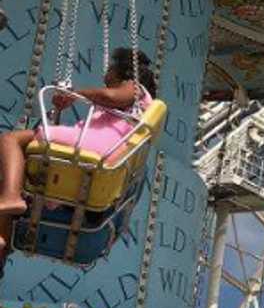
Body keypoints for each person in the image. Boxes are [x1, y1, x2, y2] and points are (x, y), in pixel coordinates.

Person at [0, 47, 158, 254]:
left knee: (11, 139)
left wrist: (74, 93)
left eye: (111, 67)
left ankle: (11, 196)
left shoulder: (135, 88)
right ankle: (4, 239)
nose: (106, 72)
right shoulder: (138, 109)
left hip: (93, 147)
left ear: (123, 73)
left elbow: (108, 96)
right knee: (15, 179)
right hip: (101, 159)